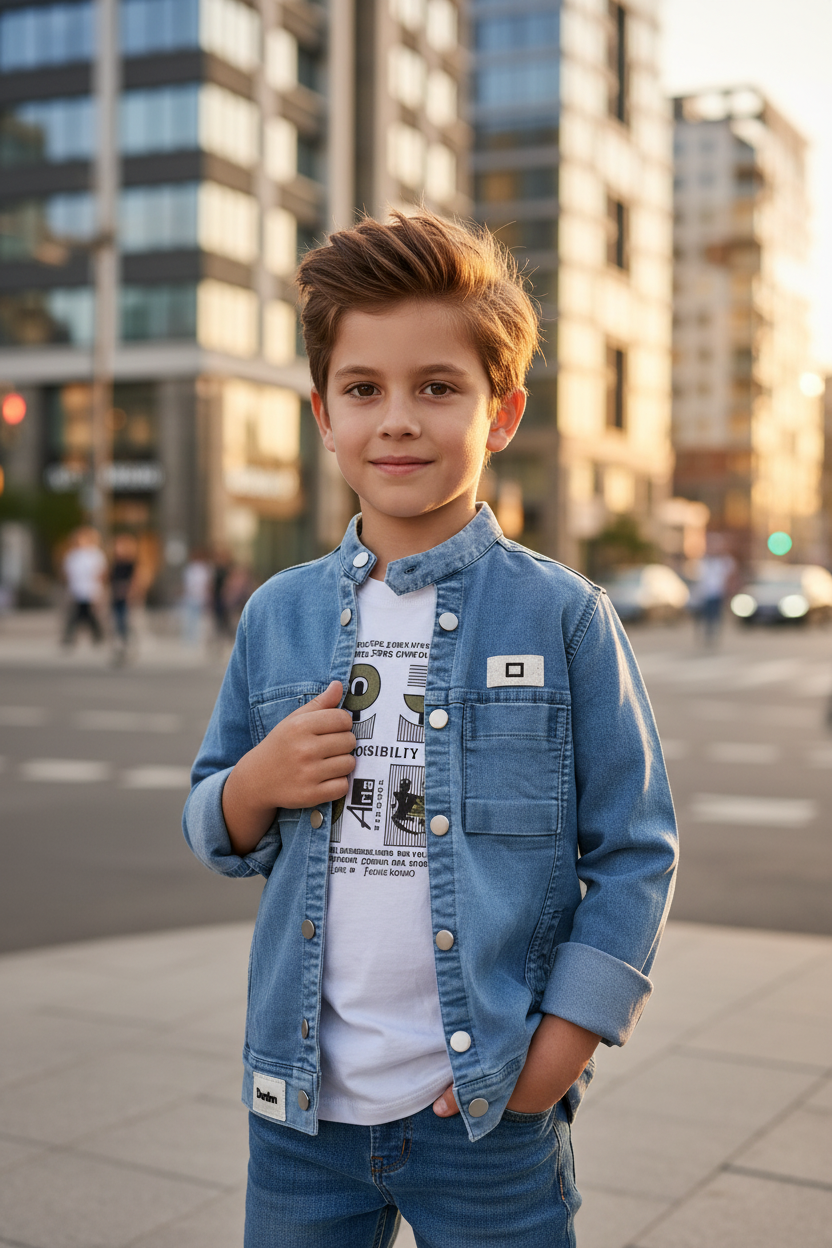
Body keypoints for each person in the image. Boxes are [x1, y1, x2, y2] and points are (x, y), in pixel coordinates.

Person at [183, 213, 678, 1248]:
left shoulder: (564, 617)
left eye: (438, 388)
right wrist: (256, 783)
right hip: (300, 1116)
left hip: (490, 1115)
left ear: (502, 414)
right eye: (364, 389)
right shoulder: (277, 614)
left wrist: (560, 1050)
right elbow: (215, 822)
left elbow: (635, 851)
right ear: (323, 415)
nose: (397, 421)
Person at [61, 526, 106, 646]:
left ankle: (96, 635)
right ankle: (74, 636)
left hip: (91, 589)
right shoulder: (72, 555)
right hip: (76, 588)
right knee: (78, 613)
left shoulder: (95, 554)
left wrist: (98, 590)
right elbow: (68, 572)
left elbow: (100, 573)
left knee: (87, 613)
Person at [109, 532, 138, 663]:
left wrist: (130, 593)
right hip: (115, 596)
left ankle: (126, 645)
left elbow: (135, 580)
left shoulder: (130, 564)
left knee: (124, 622)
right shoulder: (115, 564)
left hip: (125, 597)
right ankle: (119, 646)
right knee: (116, 623)